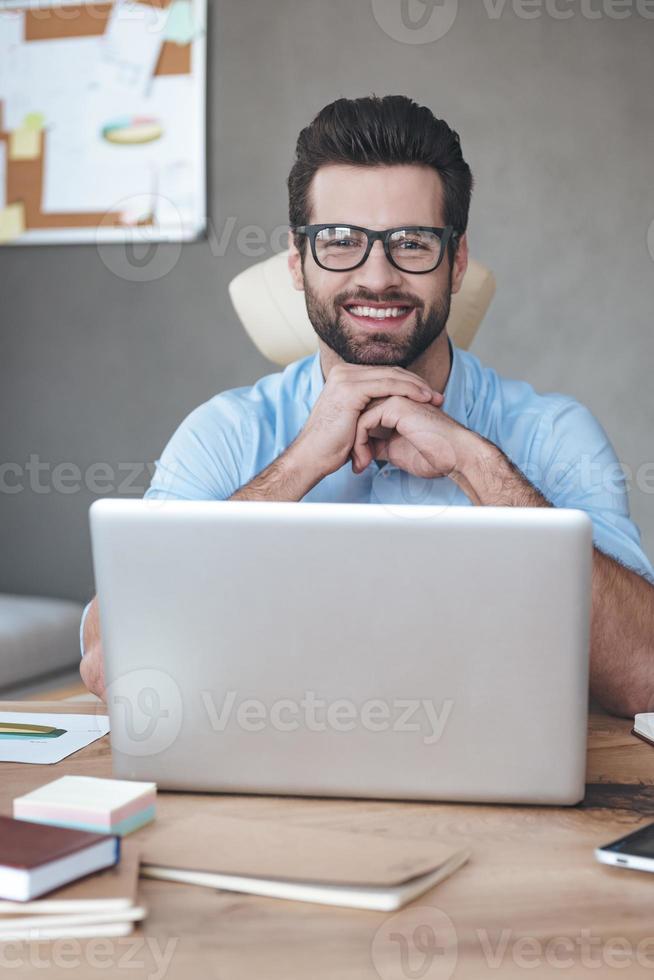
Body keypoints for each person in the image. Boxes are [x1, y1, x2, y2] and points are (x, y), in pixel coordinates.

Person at [81, 95, 654, 716]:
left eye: (411, 242)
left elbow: (646, 676)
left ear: (456, 262)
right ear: (297, 263)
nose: (377, 277)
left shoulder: (553, 433)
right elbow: (112, 656)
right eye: (339, 240)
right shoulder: (225, 432)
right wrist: (296, 468)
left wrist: (475, 463)